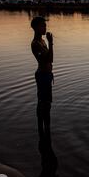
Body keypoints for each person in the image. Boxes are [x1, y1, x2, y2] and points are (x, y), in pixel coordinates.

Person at [30, 16, 54, 144]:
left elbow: (49, 59)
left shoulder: (42, 42)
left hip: (46, 75)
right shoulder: (36, 44)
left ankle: (45, 130)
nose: (45, 27)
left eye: (45, 25)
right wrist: (51, 42)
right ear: (36, 27)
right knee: (43, 102)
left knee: (46, 102)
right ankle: (43, 128)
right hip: (43, 76)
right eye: (43, 25)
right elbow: (50, 59)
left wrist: (48, 42)